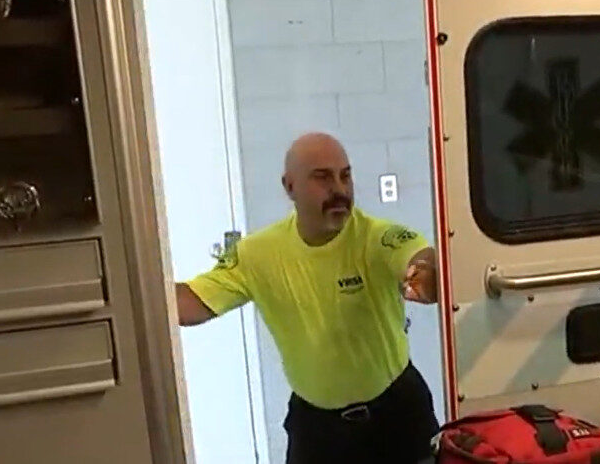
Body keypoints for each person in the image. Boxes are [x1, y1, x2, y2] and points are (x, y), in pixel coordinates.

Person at [175, 132, 440, 464]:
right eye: (323, 177)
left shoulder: (378, 238)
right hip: (317, 430)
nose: (340, 190)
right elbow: (190, 304)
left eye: (346, 175)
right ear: (289, 186)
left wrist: (427, 276)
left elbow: (420, 262)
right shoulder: (258, 254)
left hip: (397, 416)